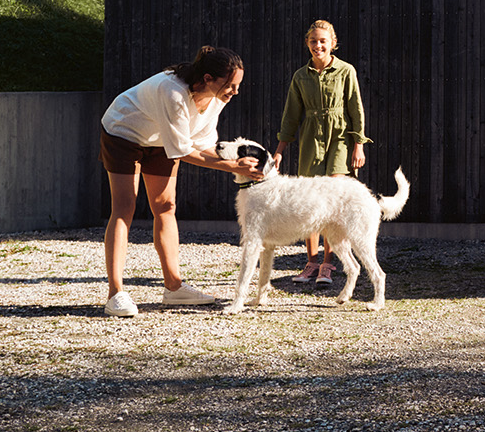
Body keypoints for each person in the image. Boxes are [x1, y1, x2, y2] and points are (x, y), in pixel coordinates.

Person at [99, 46, 264, 317]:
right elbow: (184, 151)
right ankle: (115, 293)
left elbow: (204, 144)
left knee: (166, 206)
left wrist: (241, 164)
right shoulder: (172, 91)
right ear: (208, 78)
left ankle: (174, 287)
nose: (235, 91)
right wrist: (233, 166)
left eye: (237, 85)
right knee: (124, 208)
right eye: (230, 85)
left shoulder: (217, 98)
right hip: (124, 132)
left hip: (161, 140)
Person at [271, 20, 368, 288]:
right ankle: (311, 261)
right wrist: (279, 151)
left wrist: (359, 144)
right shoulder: (300, 76)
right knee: (310, 201)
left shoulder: (346, 71)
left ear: (333, 43)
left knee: (333, 199)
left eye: (323, 41)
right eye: (313, 41)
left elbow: (355, 109)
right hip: (311, 139)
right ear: (308, 44)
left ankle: (328, 262)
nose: (318, 45)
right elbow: (290, 116)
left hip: (340, 138)